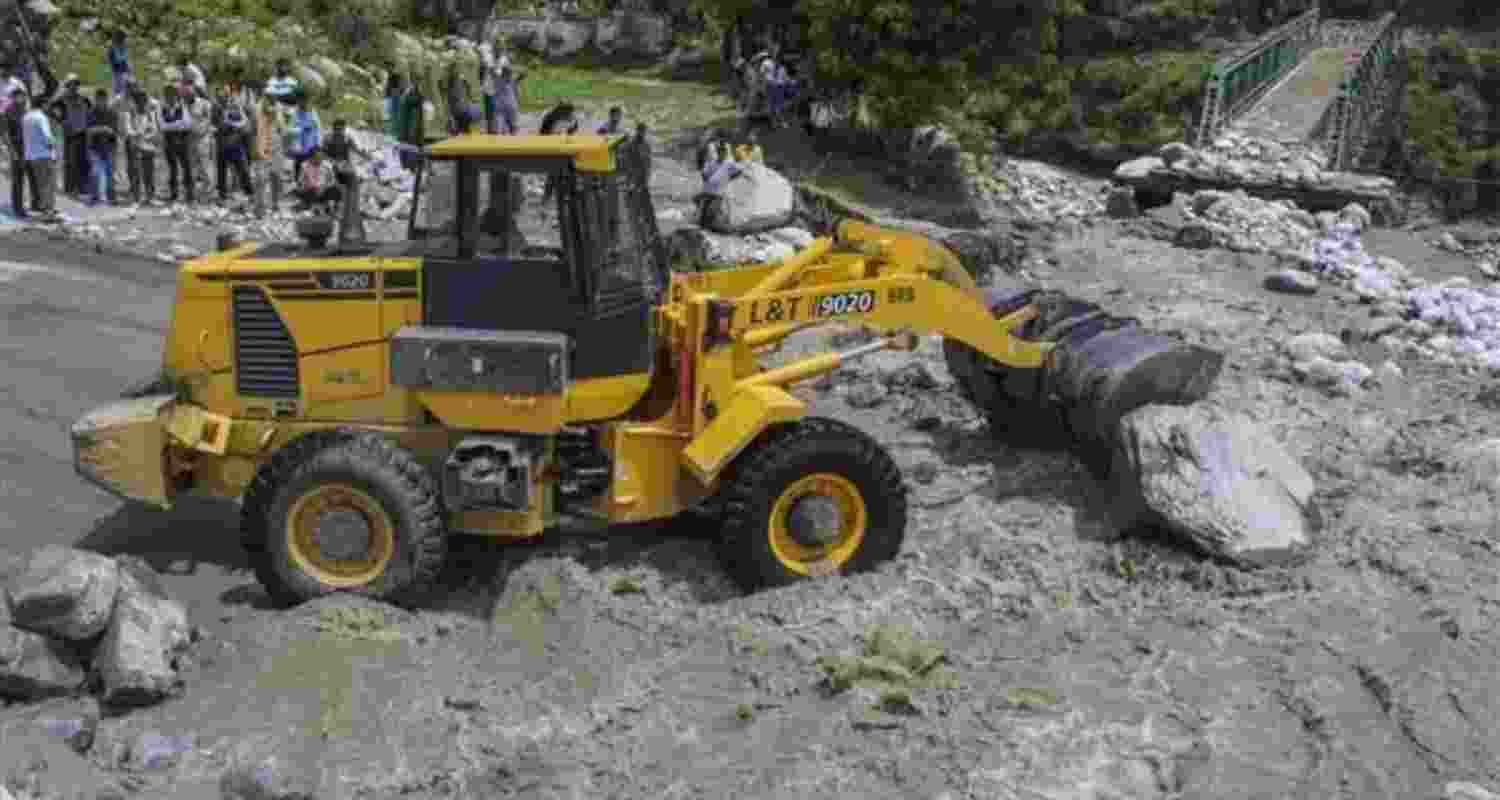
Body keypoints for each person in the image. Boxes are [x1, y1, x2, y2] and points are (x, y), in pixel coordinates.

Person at [49, 75, 90, 197]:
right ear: (67, 86)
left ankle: (83, 187)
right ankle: (70, 187)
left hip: (83, 132)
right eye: (71, 84)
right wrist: (61, 121)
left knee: (83, 160)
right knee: (70, 161)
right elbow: (50, 109)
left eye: (76, 84)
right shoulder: (61, 100)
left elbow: (90, 111)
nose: (74, 87)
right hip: (69, 133)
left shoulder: (84, 99)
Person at [20, 89, 56, 217]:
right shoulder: (41, 117)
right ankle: (49, 211)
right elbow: (47, 137)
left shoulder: (25, 117)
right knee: (49, 184)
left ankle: (43, 208)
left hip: (31, 156)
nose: (48, 107)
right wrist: (53, 148)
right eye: (47, 104)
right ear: (42, 104)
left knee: (40, 184)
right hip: (44, 155)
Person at [5, 89, 40, 218]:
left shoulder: (28, 111)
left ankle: (36, 204)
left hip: (30, 147)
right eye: (18, 97)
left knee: (34, 176)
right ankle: (18, 208)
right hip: (17, 147)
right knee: (18, 179)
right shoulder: (9, 112)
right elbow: (6, 134)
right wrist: (12, 151)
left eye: (23, 96)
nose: (21, 99)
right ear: (13, 98)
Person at [83, 87, 120, 206]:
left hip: (109, 147)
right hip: (94, 148)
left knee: (110, 174)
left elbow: (114, 131)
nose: (101, 102)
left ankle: (111, 197)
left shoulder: (112, 113)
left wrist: (100, 129)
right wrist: (103, 129)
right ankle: (94, 197)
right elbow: (88, 131)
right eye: (98, 99)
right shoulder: (90, 112)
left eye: (103, 99)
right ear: (95, 99)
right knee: (95, 173)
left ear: (106, 99)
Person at [123, 84, 159, 204]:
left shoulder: (150, 113)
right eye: (138, 99)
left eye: (143, 99)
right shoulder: (129, 113)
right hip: (135, 145)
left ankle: (150, 195)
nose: (141, 101)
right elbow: (128, 129)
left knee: (149, 170)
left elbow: (154, 129)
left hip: (148, 145)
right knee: (135, 171)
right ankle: (136, 196)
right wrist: (136, 135)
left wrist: (146, 136)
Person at [215, 90, 253, 203]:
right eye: (229, 101)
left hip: (236, 148)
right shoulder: (221, 112)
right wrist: (235, 127)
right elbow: (221, 127)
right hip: (223, 148)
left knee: (243, 172)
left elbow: (246, 128)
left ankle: (249, 194)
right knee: (222, 173)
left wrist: (236, 127)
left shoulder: (241, 115)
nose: (231, 103)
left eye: (234, 102)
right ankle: (222, 196)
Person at [159, 85, 194, 204]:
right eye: (168, 96)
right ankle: (174, 194)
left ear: (176, 96)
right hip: (170, 143)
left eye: (172, 96)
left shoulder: (183, 107)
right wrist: (178, 124)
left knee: (187, 168)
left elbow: (188, 124)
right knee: (173, 169)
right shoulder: (162, 108)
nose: (170, 98)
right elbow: (162, 126)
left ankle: (190, 194)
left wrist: (172, 125)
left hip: (183, 142)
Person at [252, 92, 285, 215]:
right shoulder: (258, 107)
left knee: (276, 177)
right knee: (260, 178)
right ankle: (259, 208)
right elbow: (254, 127)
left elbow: (282, 128)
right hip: (262, 146)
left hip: (276, 146)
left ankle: (275, 203)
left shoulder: (279, 107)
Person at [287, 91, 321, 184]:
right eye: (300, 101)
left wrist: (318, 145)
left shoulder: (313, 113)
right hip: (298, 149)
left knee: (311, 172)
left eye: (304, 101)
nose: (302, 103)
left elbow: (318, 130)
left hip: (311, 148)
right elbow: (290, 129)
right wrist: (302, 129)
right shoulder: (294, 113)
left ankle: (309, 189)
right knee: (298, 172)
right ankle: (298, 187)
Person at [291, 148, 340, 212]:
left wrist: (324, 187)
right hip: (310, 189)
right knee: (306, 193)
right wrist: (304, 186)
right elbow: (300, 181)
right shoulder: (304, 165)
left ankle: (330, 207)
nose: (319, 159)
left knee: (334, 190)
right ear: (311, 157)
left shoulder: (327, 165)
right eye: (317, 157)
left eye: (321, 157)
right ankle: (308, 206)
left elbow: (333, 180)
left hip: (324, 189)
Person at [492, 65, 524, 135]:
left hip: (509, 108)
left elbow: (523, 74)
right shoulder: (498, 80)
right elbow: (522, 74)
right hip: (502, 108)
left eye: (509, 73)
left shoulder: (512, 80)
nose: (508, 75)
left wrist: (515, 70)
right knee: (504, 129)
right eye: (507, 73)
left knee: (512, 128)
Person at [107, 31, 131, 99]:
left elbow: (125, 60)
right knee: (117, 90)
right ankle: (117, 98)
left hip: (124, 72)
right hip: (117, 72)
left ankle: (122, 97)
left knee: (124, 88)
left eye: (123, 39)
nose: (123, 41)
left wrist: (128, 69)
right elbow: (112, 61)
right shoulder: (112, 49)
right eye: (121, 39)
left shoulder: (124, 48)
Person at [381, 75, 403, 140]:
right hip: (395, 133)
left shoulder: (386, 100)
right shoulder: (396, 98)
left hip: (389, 133)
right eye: (401, 83)